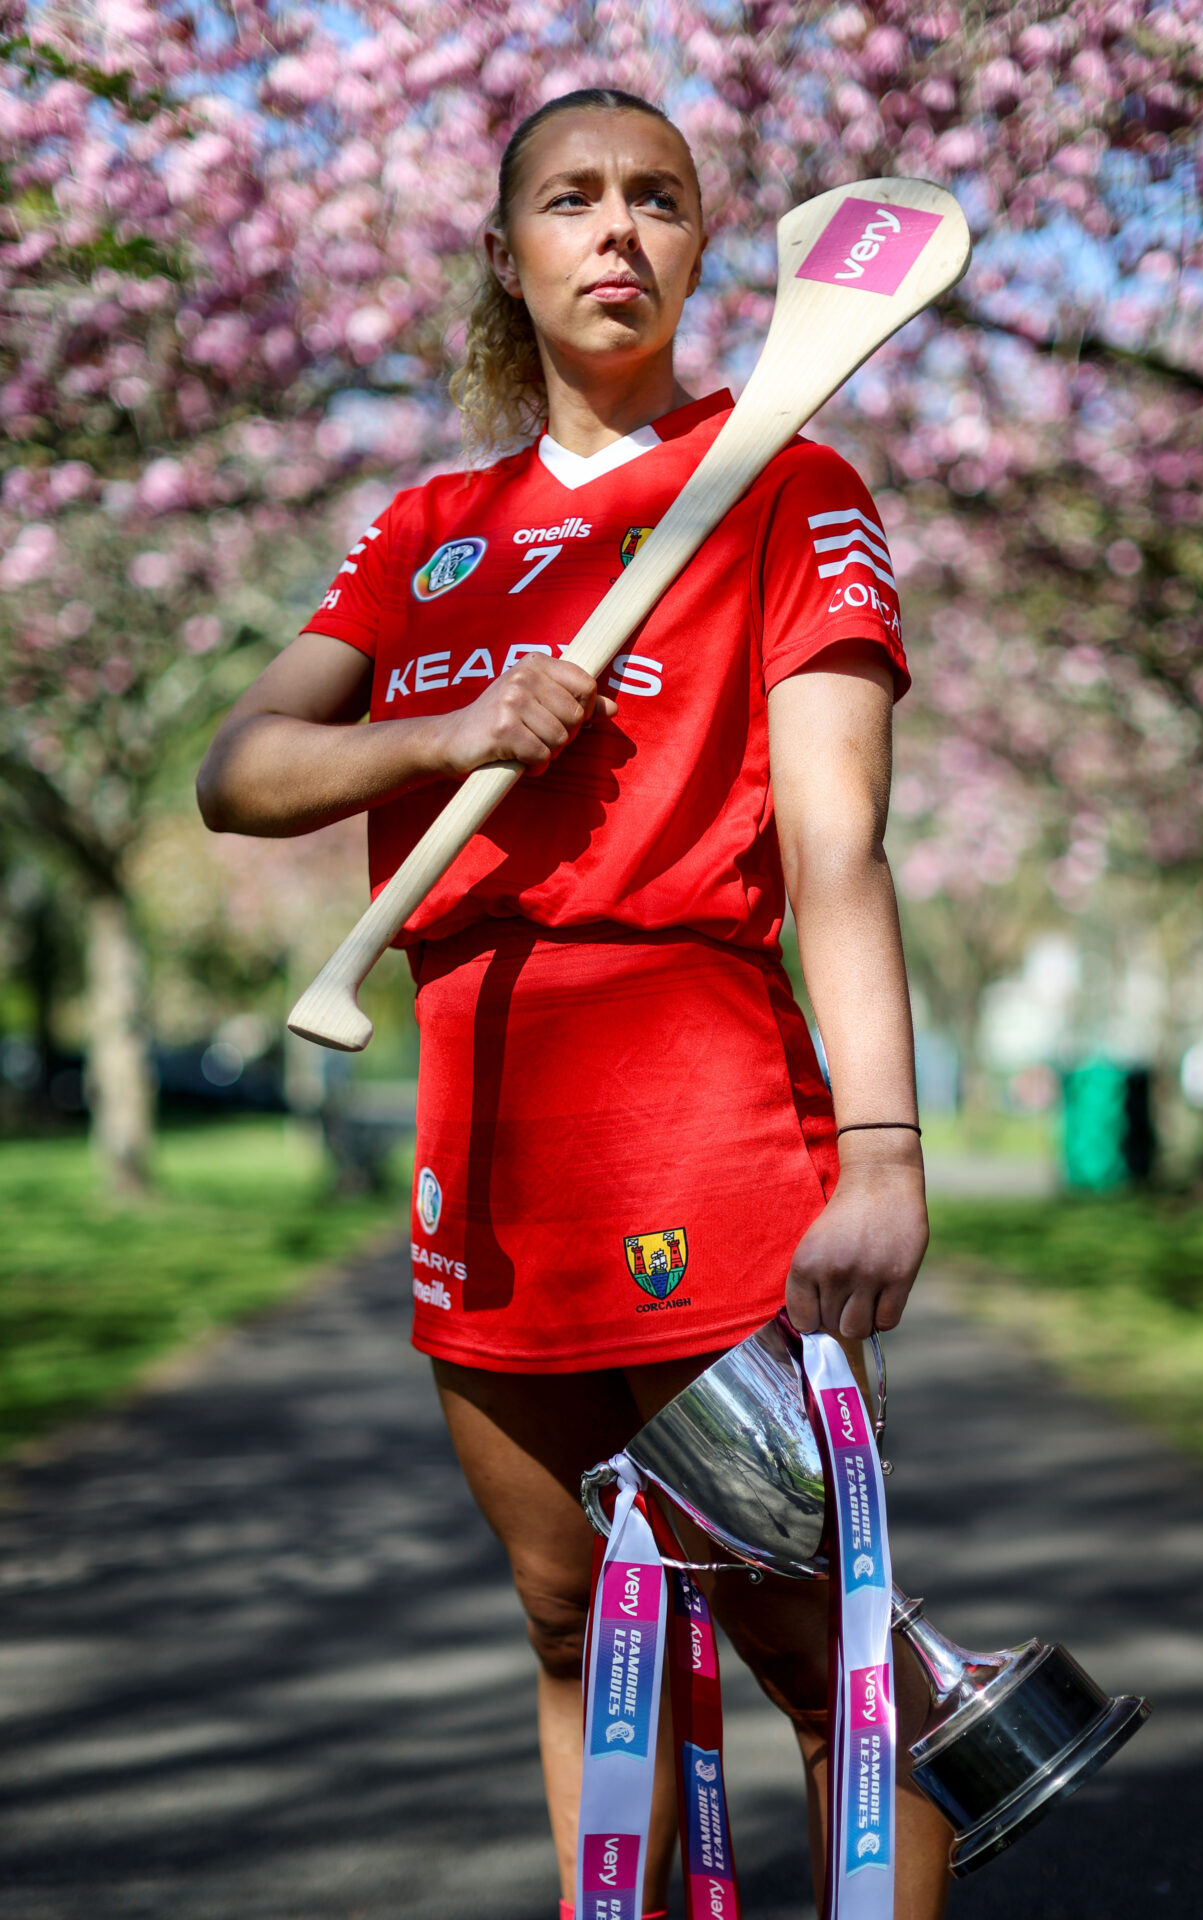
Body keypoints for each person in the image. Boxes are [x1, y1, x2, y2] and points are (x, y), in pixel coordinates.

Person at [197, 87, 946, 1919]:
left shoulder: (788, 487)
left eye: (660, 199)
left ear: (700, 251)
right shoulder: (428, 527)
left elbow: (837, 846)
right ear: (505, 253)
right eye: (572, 198)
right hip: (483, 1130)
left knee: (823, 1649)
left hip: (706, 1119)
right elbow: (240, 769)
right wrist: (446, 730)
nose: (617, 229)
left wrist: (883, 1149)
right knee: (568, 1617)